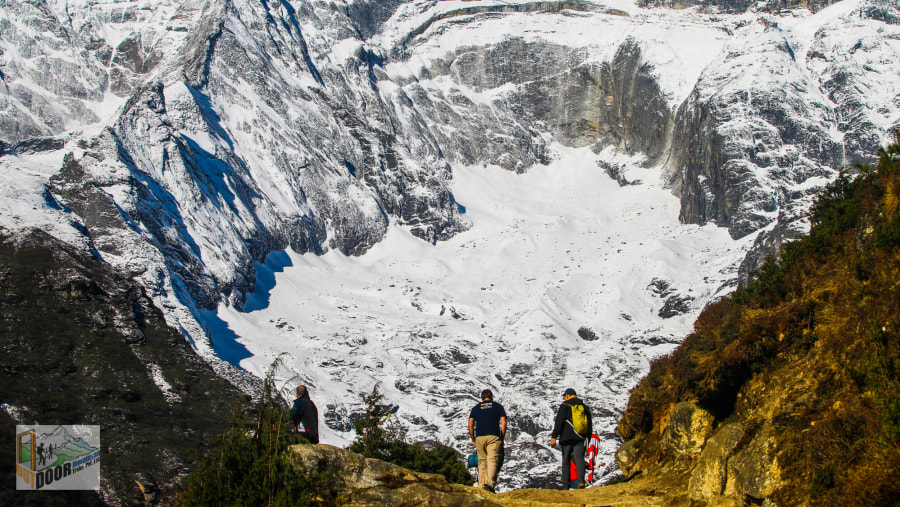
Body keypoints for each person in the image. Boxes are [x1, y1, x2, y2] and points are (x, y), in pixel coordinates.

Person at [550, 387, 593, 489]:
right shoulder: (584, 407)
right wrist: (587, 438)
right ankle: (581, 481)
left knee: (566, 461)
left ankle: (566, 486)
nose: (564, 398)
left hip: (566, 438)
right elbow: (589, 425)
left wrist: (554, 436)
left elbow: (559, 422)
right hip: (580, 437)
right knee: (579, 459)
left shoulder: (564, 405)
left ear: (567, 395)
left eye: (564, 396)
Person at [468, 389, 507, 493]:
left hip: (479, 437)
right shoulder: (498, 407)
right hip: (493, 437)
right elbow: (503, 422)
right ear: (492, 397)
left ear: (482, 398)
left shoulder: (476, 408)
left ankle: (480, 486)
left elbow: (470, 424)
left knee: (482, 462)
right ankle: (488, 485)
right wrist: (502, 438)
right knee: (492, 460)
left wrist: (473, 439)